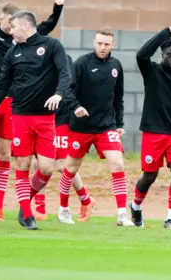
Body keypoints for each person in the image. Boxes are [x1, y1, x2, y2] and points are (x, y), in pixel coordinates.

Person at [0, 0, 64, 220]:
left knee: (6, 155)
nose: (12, 30)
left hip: (16, 103)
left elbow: (45, 27)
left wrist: (57, 9)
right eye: (9, 25)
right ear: (2, 20)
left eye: (15, 26)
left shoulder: (24, 41)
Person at [60, 29, 134, 227]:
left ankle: (121, 215)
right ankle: (63, 210)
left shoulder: (116, 66)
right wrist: (76, 107)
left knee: (118, 163)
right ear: (94, 43)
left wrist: (119, 124)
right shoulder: (82, 63)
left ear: (113, 44)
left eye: (107, 44)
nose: (103, 48)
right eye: (100, 44)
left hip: (106, 127)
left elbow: (118, 97)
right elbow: (67, 90)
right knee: (71, 168)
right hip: (81, 127)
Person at [130, 27, 171, 228]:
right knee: (150, 176)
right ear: (162, 54)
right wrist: (165, 34)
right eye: (170, 55)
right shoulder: (152, 70)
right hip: (153, 132)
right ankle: (136, 206)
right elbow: (141, 54)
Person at [32, 53, 95, 224]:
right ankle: (40, 208)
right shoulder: (38, 63)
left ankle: (85, 199)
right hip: (40, 118)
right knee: (37, 162)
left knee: (61, 165)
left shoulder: (65, 61)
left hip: (61, 120)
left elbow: (70, 90)